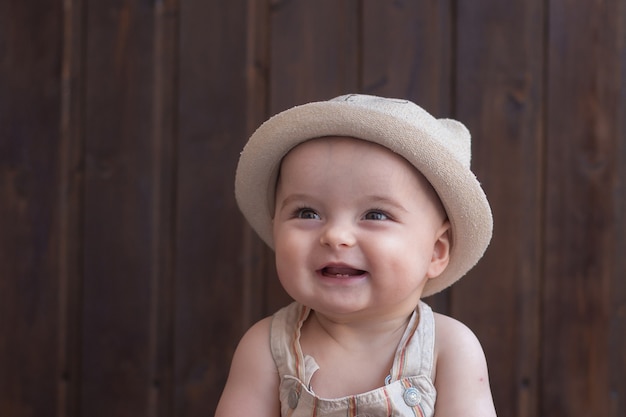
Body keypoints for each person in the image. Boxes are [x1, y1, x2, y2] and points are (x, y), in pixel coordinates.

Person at [215, 94, 497, 417]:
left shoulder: (449, 351)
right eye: (307, 213)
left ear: (436, 250)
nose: (335, 235)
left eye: (375, 215)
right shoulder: (267, 350)